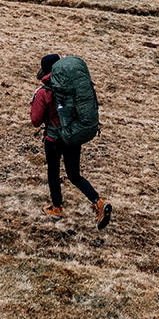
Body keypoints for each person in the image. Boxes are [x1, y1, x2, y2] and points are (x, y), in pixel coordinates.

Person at [32, 53, 110, 227]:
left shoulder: (44, 92)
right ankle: (98, 202)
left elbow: (35, 120)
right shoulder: (71, 87)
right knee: (74, 174)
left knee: (53, 172)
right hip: (73, 136)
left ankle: (57, 208)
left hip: (53, 140)